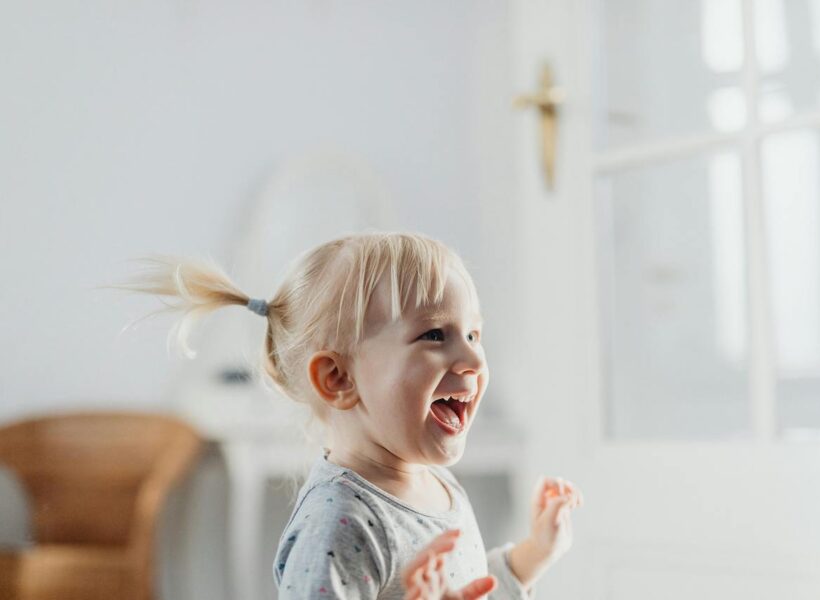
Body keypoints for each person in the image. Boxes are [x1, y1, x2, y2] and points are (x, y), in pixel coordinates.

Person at [118, 232, 583, 599]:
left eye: (475, 335)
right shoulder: (340, 521)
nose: (474, 361)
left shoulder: (438, 485)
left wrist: (532, 554)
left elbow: (469, 585)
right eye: (436, 334)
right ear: (339, 378)